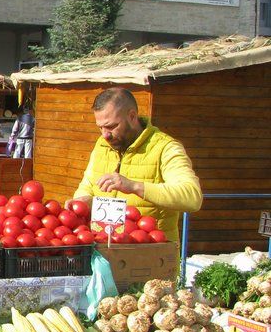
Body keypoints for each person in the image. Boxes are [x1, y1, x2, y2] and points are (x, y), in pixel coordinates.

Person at [68, 87, 202, 243]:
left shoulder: (166, 148)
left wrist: (134, 186)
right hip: (104, 250)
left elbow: (192, 197)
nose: (105, 135)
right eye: (100, 127)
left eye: (111, 126)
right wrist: (82, 201)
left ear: (132, 116)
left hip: (151, 254)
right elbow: (88, 184)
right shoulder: (102, 145)